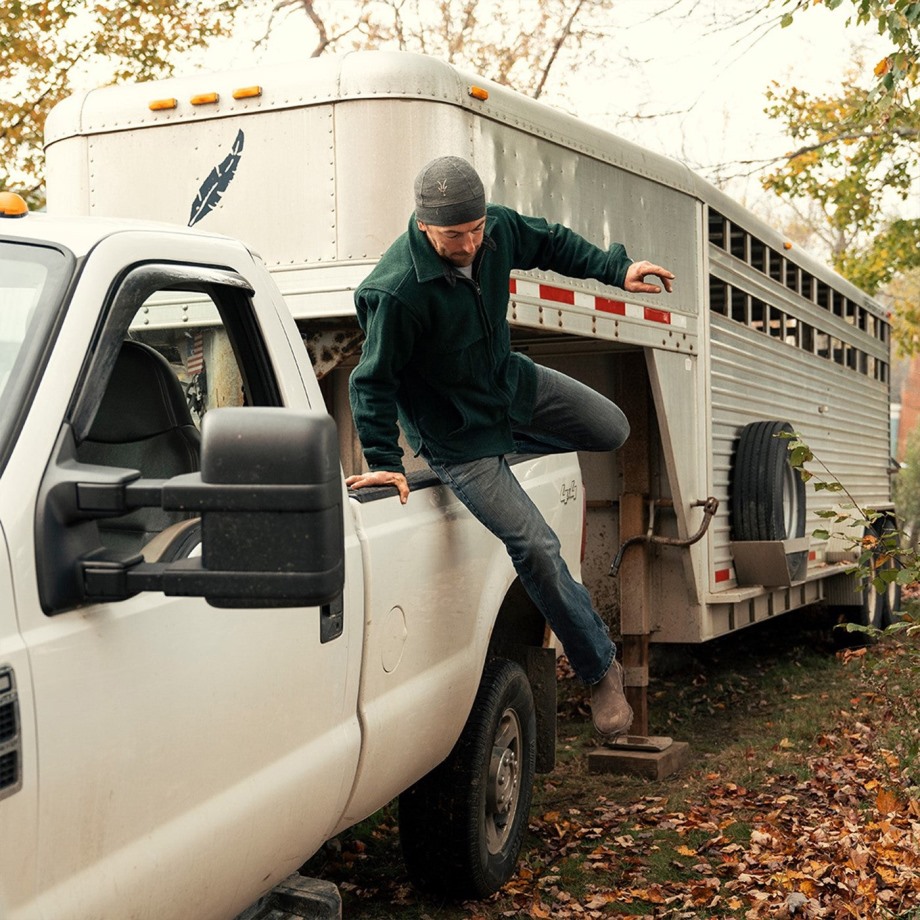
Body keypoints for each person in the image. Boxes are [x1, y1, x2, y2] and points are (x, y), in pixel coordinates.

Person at [345, 156, 674, 739]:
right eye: (455, 236)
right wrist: (384, 462)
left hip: (509, 386)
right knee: (536, 546)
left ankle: (506, 450)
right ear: (424, 226)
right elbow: (372, 382)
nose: (470, 244)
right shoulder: (395, 293)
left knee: (611, 428)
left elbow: (549, 241)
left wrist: (614, 269)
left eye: (476, 231)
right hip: (457, 440)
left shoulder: (492, 230)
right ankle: (601, 671)